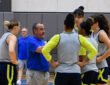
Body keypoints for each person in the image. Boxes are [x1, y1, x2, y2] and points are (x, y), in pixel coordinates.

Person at [42, 13, 97, 85]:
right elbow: (93, 51)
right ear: (73, 26)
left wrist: (52, 62)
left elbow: (44, 50)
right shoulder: (79, 37)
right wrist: (84, 63)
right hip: (75, 73)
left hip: (61, 72)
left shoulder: (57, 37)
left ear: (64, 25)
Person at [86, 14, 110, 85]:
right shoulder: (92, 33)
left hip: (101, 67)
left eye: (91, 22)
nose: (90, 24)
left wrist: (100, 59)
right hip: (93, 67)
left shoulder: (101, 33)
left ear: (97, 23)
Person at [0, 20, 20, 85]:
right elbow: (11, 50)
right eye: (19, 27)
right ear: (15, 27)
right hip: (7, 66)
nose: (19, 30)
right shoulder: (12, 36)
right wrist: (15, 62)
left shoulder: (3, 36)